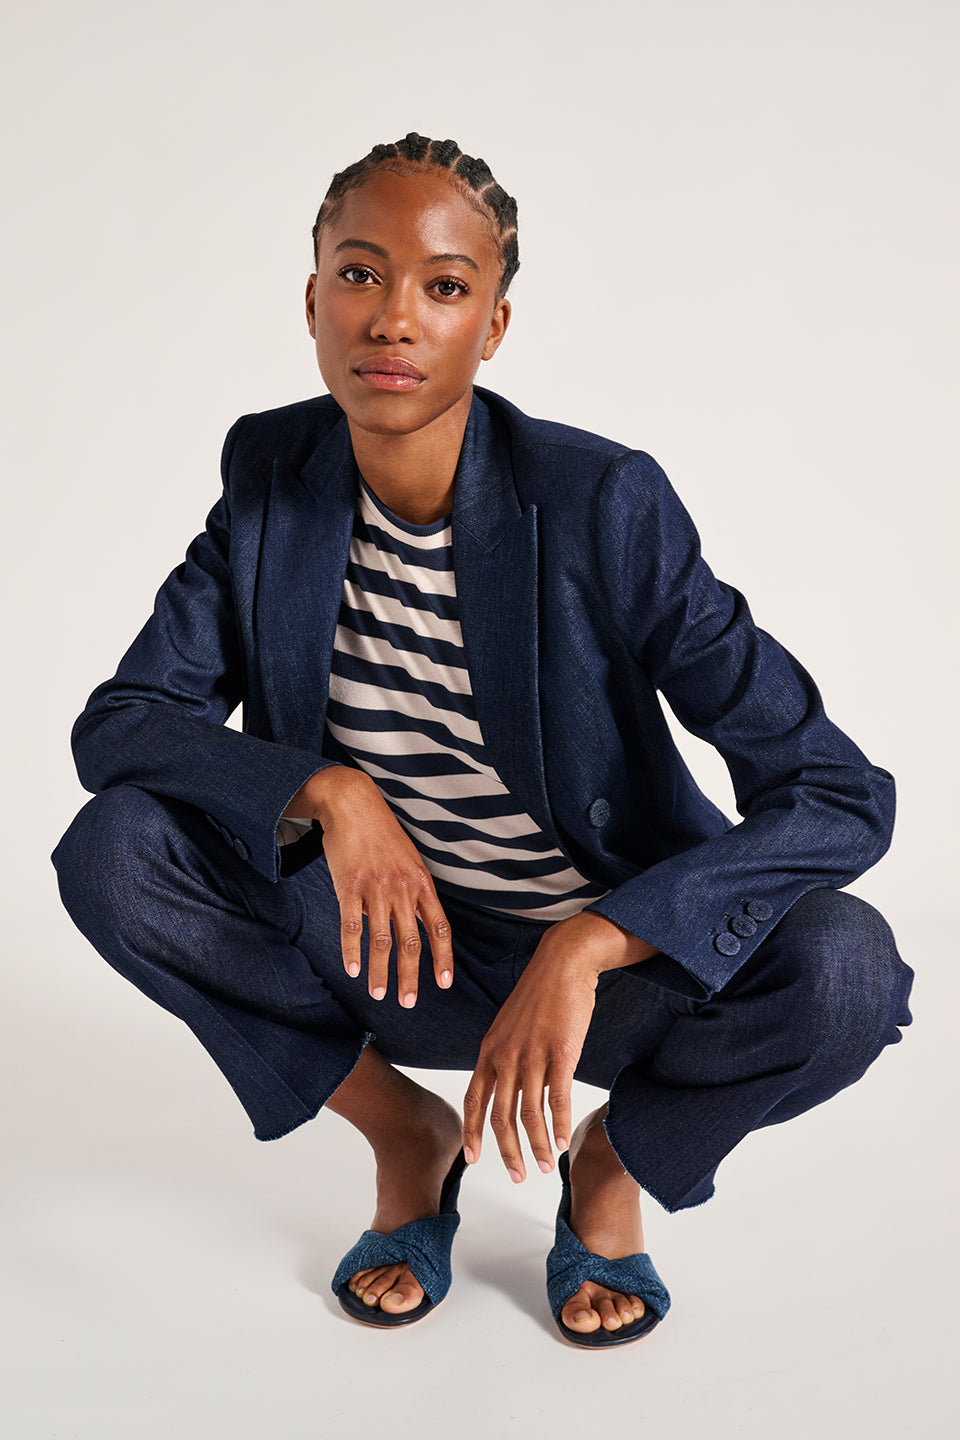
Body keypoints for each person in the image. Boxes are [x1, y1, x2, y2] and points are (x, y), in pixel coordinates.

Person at [52, 132, 914, 1348]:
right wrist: (326, 789)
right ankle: (407, 1138)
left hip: (607, 985)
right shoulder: (269, 476)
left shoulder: (602, 503)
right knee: (115, 850)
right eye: (360, 274)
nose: (394, 318)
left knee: (846, 971)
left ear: (493, 325)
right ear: (312, 300)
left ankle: (609, 1170)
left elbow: (838, 793)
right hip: (390, 956)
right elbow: (123, 725)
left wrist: (595, 941)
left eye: (445, 286)